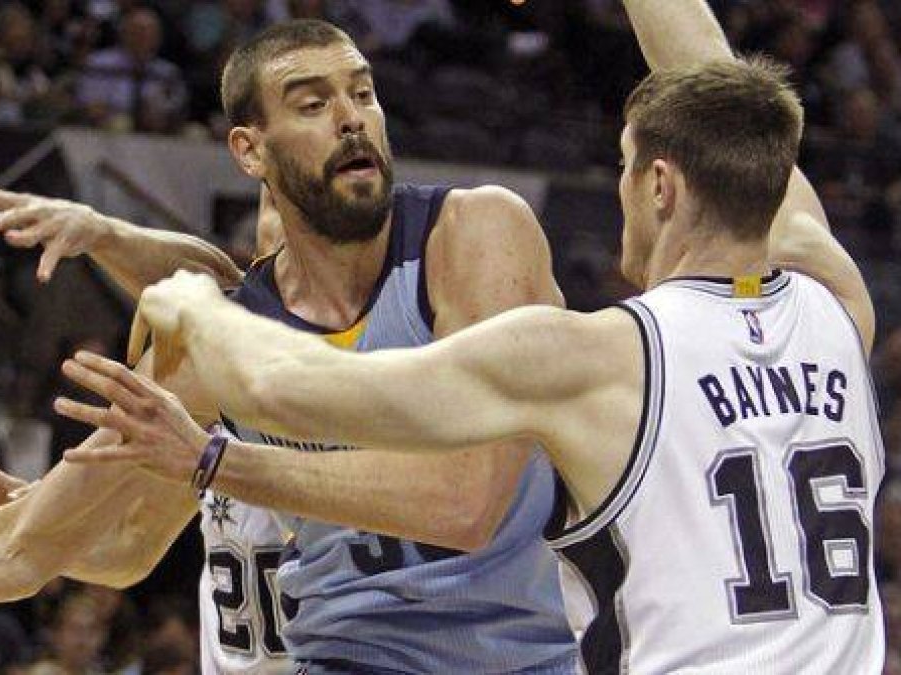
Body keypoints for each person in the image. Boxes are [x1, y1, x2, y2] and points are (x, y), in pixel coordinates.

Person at [0, 19, 578, 675]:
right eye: (314, 104)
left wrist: (211, 461)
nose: (353, 119)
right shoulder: (216, 338)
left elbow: (469, 502)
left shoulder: (474, 233)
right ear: (249, 151)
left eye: (363, 92)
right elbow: (16, 547)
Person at [62, 2, 885, 672]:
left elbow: (300, 391)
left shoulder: (601, 356)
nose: (620, 188)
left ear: (661, 186)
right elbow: (731, 112)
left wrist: (200, 313)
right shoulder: (839, 308)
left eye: (627, 166)